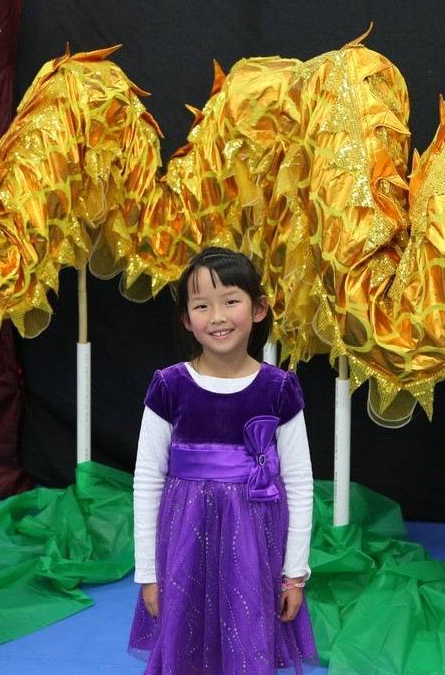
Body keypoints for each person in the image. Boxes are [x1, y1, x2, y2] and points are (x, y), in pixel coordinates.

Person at [128, 247, 318, 674]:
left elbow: (300, 482)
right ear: (186, 318)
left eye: (230, 301)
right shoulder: (169, 386)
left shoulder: (279, 389)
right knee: (186, 641)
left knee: (247, 637)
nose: (217, 316)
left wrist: (294, 574)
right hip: (185, 543)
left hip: (255, 546)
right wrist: (148, 573)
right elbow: (147, 479)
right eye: (201, 305)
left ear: (258, 308)